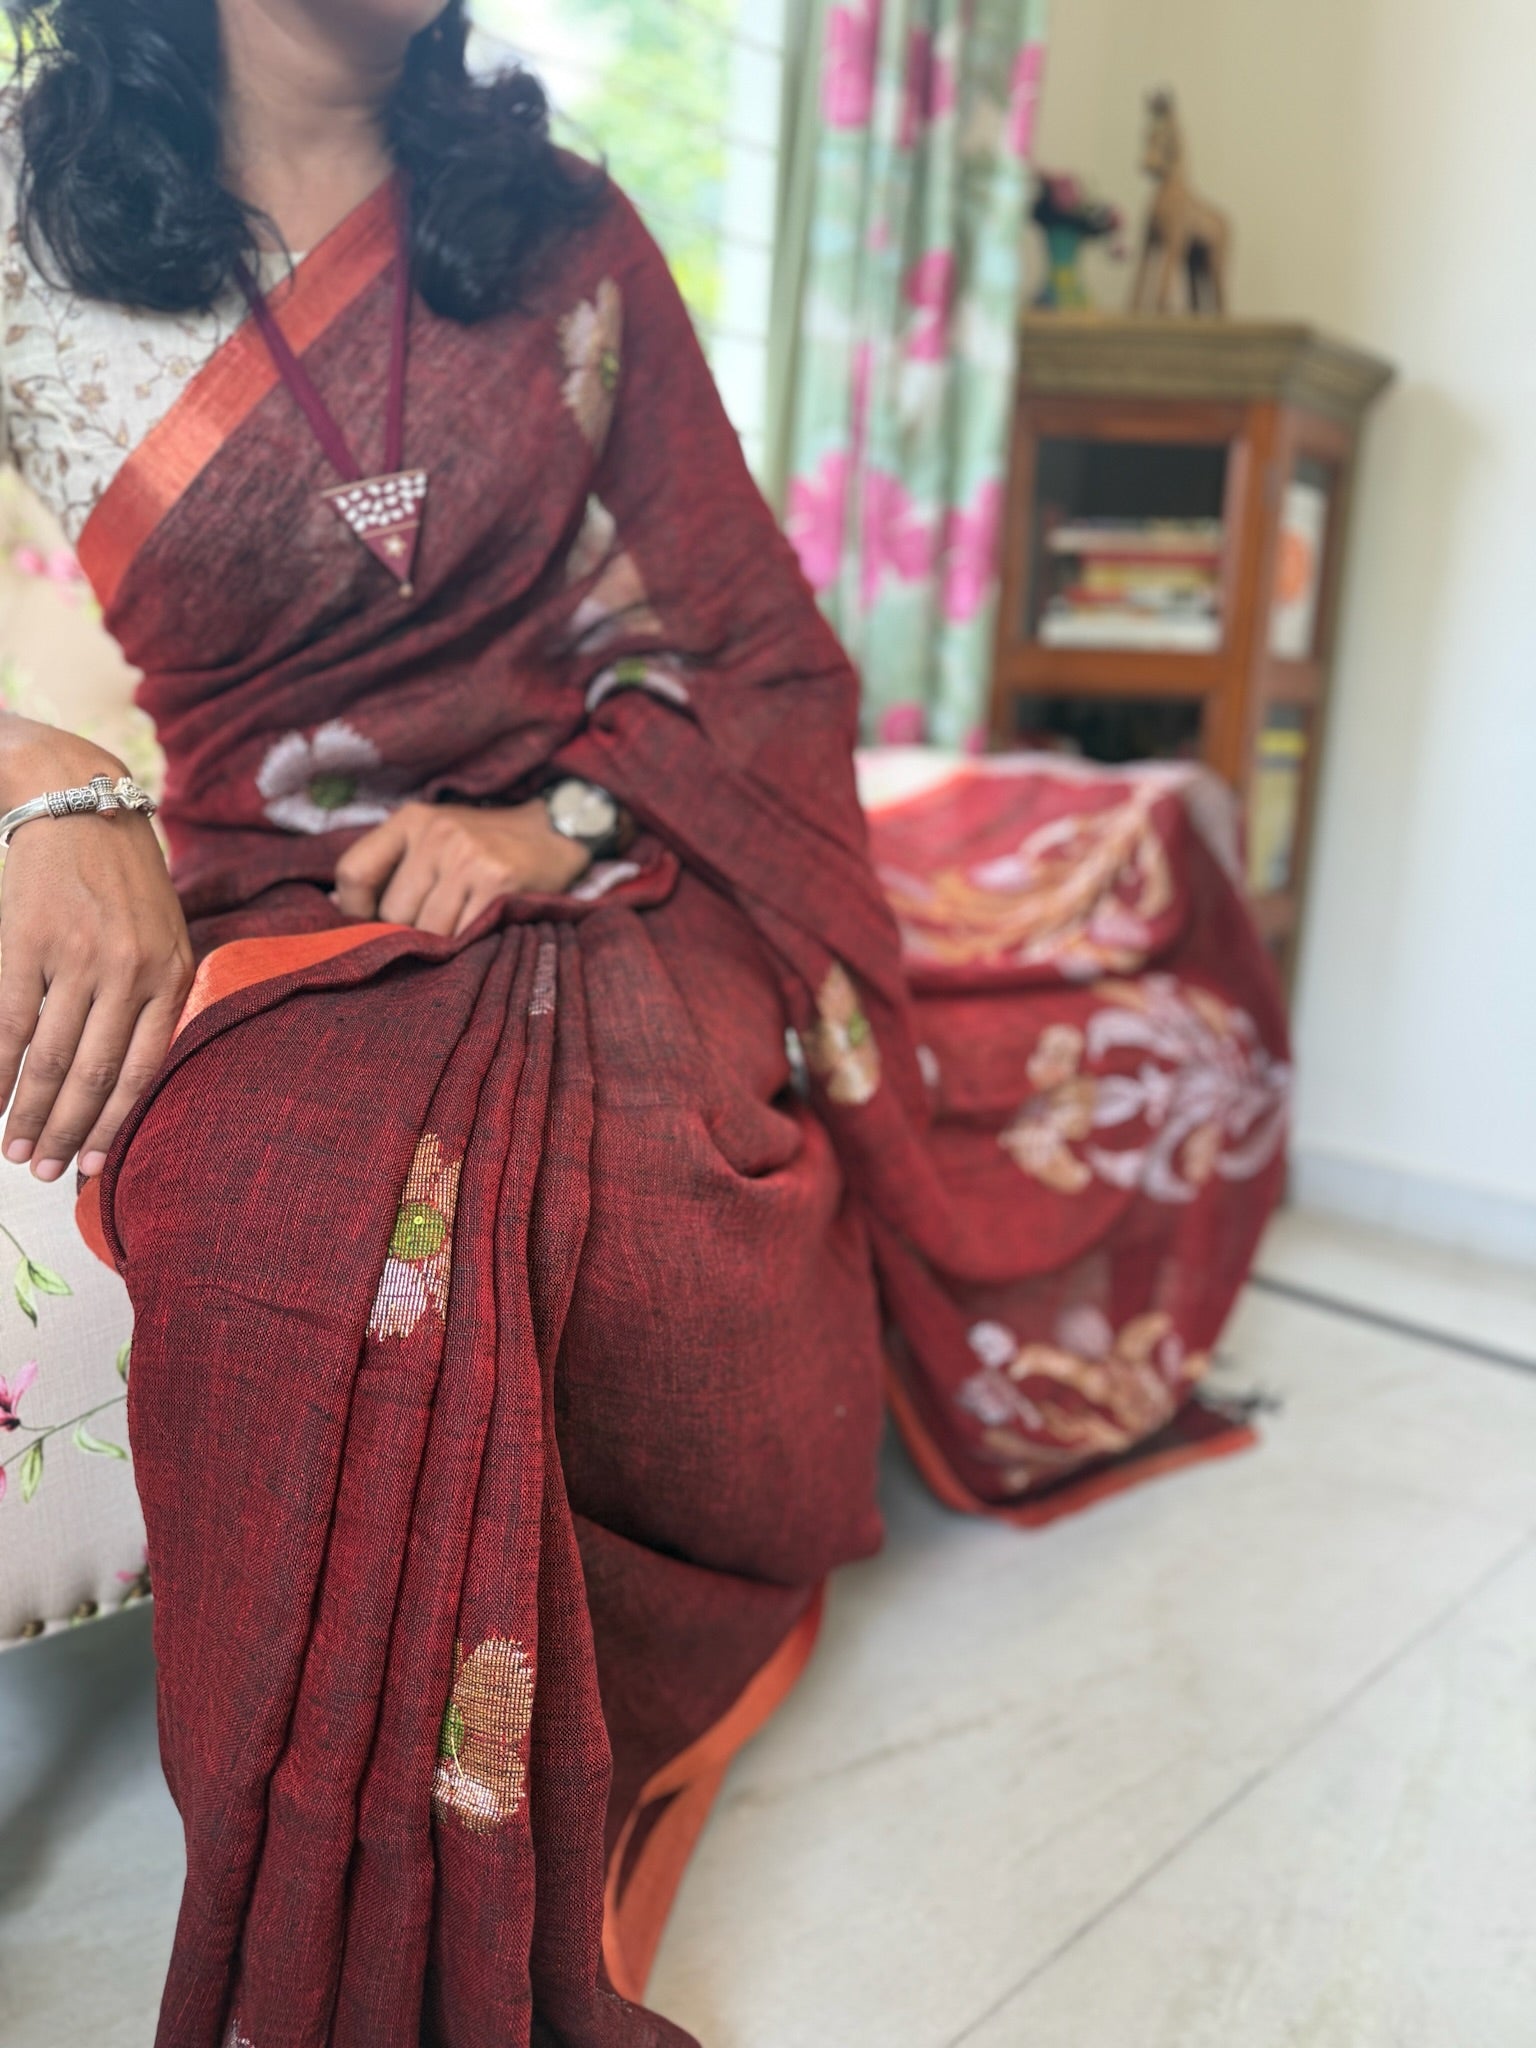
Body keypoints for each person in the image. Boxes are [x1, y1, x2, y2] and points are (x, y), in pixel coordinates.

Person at [0, 4, 1289, 2043]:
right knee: (282, 1214)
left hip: (614, 857)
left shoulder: (562, 229)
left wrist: (548, 826)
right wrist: (35, 771)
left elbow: (760, 639)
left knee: (669, 1177)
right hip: (265, 889)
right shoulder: (28, 223)